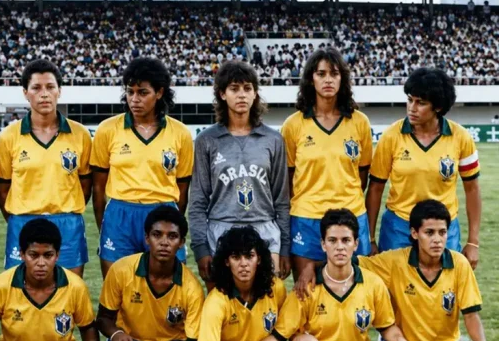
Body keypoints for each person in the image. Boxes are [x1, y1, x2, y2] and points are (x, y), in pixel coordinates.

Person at [249, 209, 410, 341]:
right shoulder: (306, 286)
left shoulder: (373, 283)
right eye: (332, 240)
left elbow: (387, 327)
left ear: (355, 244)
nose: (339, 247)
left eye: (346, 240)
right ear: (323, 244)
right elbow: (279, 335)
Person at [352, 200, 496, 341]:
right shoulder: (394, 261)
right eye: (429, 232)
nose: (437, 239)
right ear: (414, 233)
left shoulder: (459, 264)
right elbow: (352, 263)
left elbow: (471, 315)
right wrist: (310, 267)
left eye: (442, 232)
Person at [188, 60, 290, 289]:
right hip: (221, 228)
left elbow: (282, 201)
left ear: (255, 94)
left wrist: (284, 246)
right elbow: (197, 202)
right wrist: (201, 248)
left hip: (264, 227)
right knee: (224, 306)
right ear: (222, 94)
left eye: (247, 88)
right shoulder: (207, 140)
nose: (241, 95)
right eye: (234, 89)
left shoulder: (273, 140)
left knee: (267, 307)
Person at [367, 68, 481, 268]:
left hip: (443, 228)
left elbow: (472, 189)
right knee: (394, 294)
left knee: (444, 291)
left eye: (421, 103)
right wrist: (370, 238)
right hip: (399, 227)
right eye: (410, 100)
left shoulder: (461, 137)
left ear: (437, 107)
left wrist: (473, 241)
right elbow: (375, 189)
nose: (412, 108)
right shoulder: (391, 136)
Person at [91, 57, 194, 278]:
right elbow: (98, 188)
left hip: (163, 213)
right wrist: (107, 225)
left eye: (143, 92)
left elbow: (183, 188)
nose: (134, 99)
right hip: (120, 215)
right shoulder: (107, 130)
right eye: (130, 92)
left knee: (168, 290)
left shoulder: (180, 133)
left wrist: (171, 219)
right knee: (117, 290)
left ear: (159, 93)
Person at [281, 47, 373, 278]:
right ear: (311, 79)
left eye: (334, 73)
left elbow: (362, 174)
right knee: (307, 293)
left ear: (343, 78)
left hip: (351, 217)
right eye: (321, 74)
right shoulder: (293, 125)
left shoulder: (359, 122)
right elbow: (288, 179)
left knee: (354, 293)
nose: (328, 80)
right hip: (307, 219)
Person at [0, 59, 92, 277]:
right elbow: (2, 188)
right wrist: (17, 218)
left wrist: (65, 207)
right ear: (25, 93)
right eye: (36, 88)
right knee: (21, 295)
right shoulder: (9, 136)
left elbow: (85, 184)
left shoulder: (80, 135)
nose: (44, 94)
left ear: (60, 91)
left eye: (50, 87)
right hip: (23, 221)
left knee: (69, 291)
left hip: (67, 223)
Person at [0, 218, 102, 341]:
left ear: (57, 255)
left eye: (48, 255)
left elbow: (87, 327)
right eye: (34, 255)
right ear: (22, 254)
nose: (41, 263)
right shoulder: (1, 286)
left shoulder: (75, 286)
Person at [97, 206, 204, 341]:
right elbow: (103, 318)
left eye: (172, 236)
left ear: (182, 243)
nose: (164, 242)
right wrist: (116, 334)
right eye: (157, 235)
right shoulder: (121, 270)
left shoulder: (192, 288)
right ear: (147, 238)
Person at [197, 227, 286, 341]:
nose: (243, 264)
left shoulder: (275, 288)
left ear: (259, 259)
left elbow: (286, 329)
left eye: (249, 256)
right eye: (236, 257)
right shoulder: (216, 300)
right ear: (226, 261)